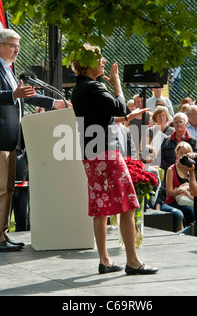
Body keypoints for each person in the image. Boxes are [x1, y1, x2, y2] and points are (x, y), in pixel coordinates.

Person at [71, 44, 157, 275]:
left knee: (101, 208)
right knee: (127, 205)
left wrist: (128, 117)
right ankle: (133, 261)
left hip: (91, 154)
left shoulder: (80, 88)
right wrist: (116, 83)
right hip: (106, 154)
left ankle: (105, 260)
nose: (103, 60)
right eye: (98, 57)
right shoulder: (93, 87)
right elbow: (118, 105)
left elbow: (101, 118)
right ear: (87, 63)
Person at [0, 28, 54, 252]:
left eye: (18, 45)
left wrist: (56, 104)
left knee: (7, 188)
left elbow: (26, 95)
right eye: (12, 45)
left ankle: (1, 236)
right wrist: (13, 95)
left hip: (9, 139)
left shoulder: (7, 69)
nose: (17, 49)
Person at [163, 142, 195, 232]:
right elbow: (169, 192)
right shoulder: (171, 169)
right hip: (173, 201)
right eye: (181, 153)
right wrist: (182, 190)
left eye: (186, 153)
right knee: (189, 211)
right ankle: (189, 232)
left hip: (189, 199)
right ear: (176, 154)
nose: (183, 155)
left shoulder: (192, 169)